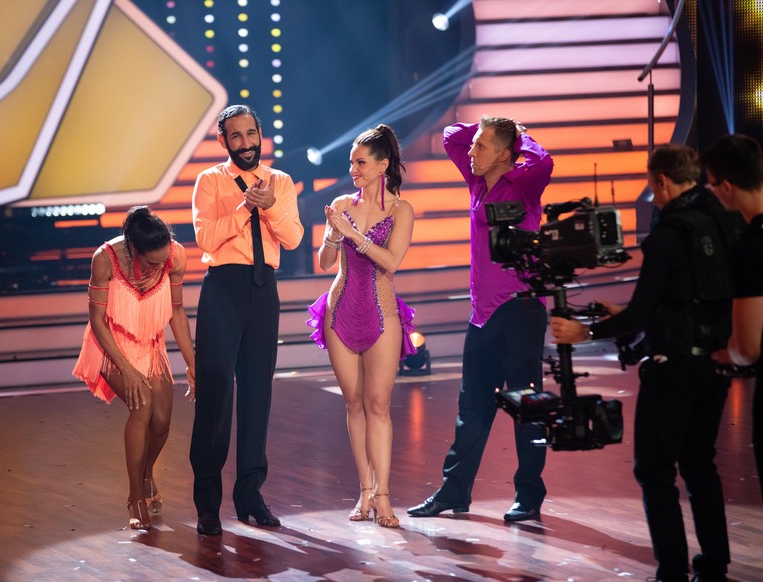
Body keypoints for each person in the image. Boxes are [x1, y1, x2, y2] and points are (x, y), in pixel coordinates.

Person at [551, 144, 740, 582]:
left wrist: (587, 333)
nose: (653, 196)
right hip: (714, 364)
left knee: (655, 471)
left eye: (653, 187)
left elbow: (641, 314)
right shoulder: (726, 224)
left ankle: (670, 572)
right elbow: (686, 299)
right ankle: (715, 567)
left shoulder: (669, 234)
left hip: (671, 367)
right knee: (700, 466)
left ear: (660, 181)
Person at [408, 115, 553, 522]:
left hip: (521, 308)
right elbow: (452, 135)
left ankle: (529, 495)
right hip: (482, 315)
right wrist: (487, 128)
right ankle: (455, 492)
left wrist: (520, 135)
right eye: (475, 146)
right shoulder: (477, 181)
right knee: (470, 407)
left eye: (482, 147)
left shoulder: (524, 182)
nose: (471, 152)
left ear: (506, 154)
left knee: (527, 406)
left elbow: (545, 162)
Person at [189, 104, 303, 536]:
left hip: (263, 288)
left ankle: (251, 495)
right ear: (224, 141)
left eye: (250, 134)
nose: (245, 143)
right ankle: (207, 503)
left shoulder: (281, 182)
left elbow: (291, 238)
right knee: (216, 396)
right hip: (222, 288)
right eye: (235, 137)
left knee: (258, 394)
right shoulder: (210, 181)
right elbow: (205, 238)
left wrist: (271, 207)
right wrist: (242, 207)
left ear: (260, 135)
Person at [306, 125, 416, 528]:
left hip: (382, 312)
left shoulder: (400, 210)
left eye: (360, 162)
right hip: (340, 309)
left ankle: (384, 497)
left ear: (383, 165)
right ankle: (364, 491)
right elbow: (324, 263)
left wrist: (355, 234)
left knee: (377, 405)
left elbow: (391, 262)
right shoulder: (341, 204)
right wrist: (335, 235)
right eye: (351, 162)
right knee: (353, 403)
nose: (353, 169)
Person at [73, 206, 196, 531]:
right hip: (110, 346)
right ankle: (135, 496)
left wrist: (192, 361)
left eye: (164, 259)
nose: (161, 266)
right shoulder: (105, 259)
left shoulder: (175, 256)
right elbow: (97, 321)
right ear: (134, 250)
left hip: (149, 344)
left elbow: (177, 311)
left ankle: (146, 473)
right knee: (141, 408)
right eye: (153, 262)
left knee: (162, 422)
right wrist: (126, 370)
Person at [704, 134, 763, 503]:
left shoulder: (749, 248)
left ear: (725, 186)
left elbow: (748, 347)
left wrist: (728, 354)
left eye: (711, 185)